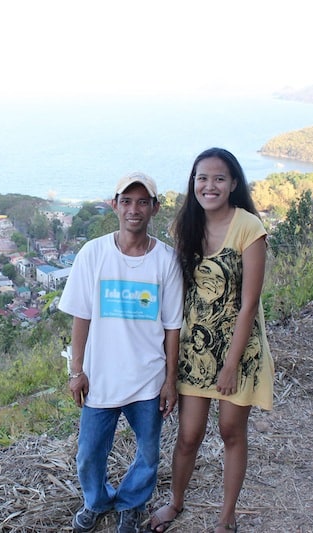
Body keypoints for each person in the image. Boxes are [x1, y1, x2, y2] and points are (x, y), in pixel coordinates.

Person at [150, 148, 274, 533]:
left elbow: (249, 302)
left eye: (219, 178)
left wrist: (231, 363)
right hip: (195, 350)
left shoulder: (248, 227)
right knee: (188, 436)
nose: (210, 186)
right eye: (202, 178)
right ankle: (176, 503)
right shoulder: (185, 227)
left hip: (239, 349)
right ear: (193, 183)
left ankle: (226, 517)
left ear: (233, 183)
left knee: (230, 432)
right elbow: (176, 295)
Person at [58, 171, 184, 533]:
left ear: (155, 208)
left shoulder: (166, 261)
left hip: (147, 379)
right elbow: (81, 316)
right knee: (89, 455)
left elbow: (172, 326)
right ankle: (96, 502)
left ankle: (132, 503)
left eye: (143, 201)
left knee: (148, 453)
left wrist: (170, 380)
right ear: (114, 205)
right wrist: (76, 371)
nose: (134, 209)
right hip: (100, 379)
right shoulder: (93, 254)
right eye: (126, 201)